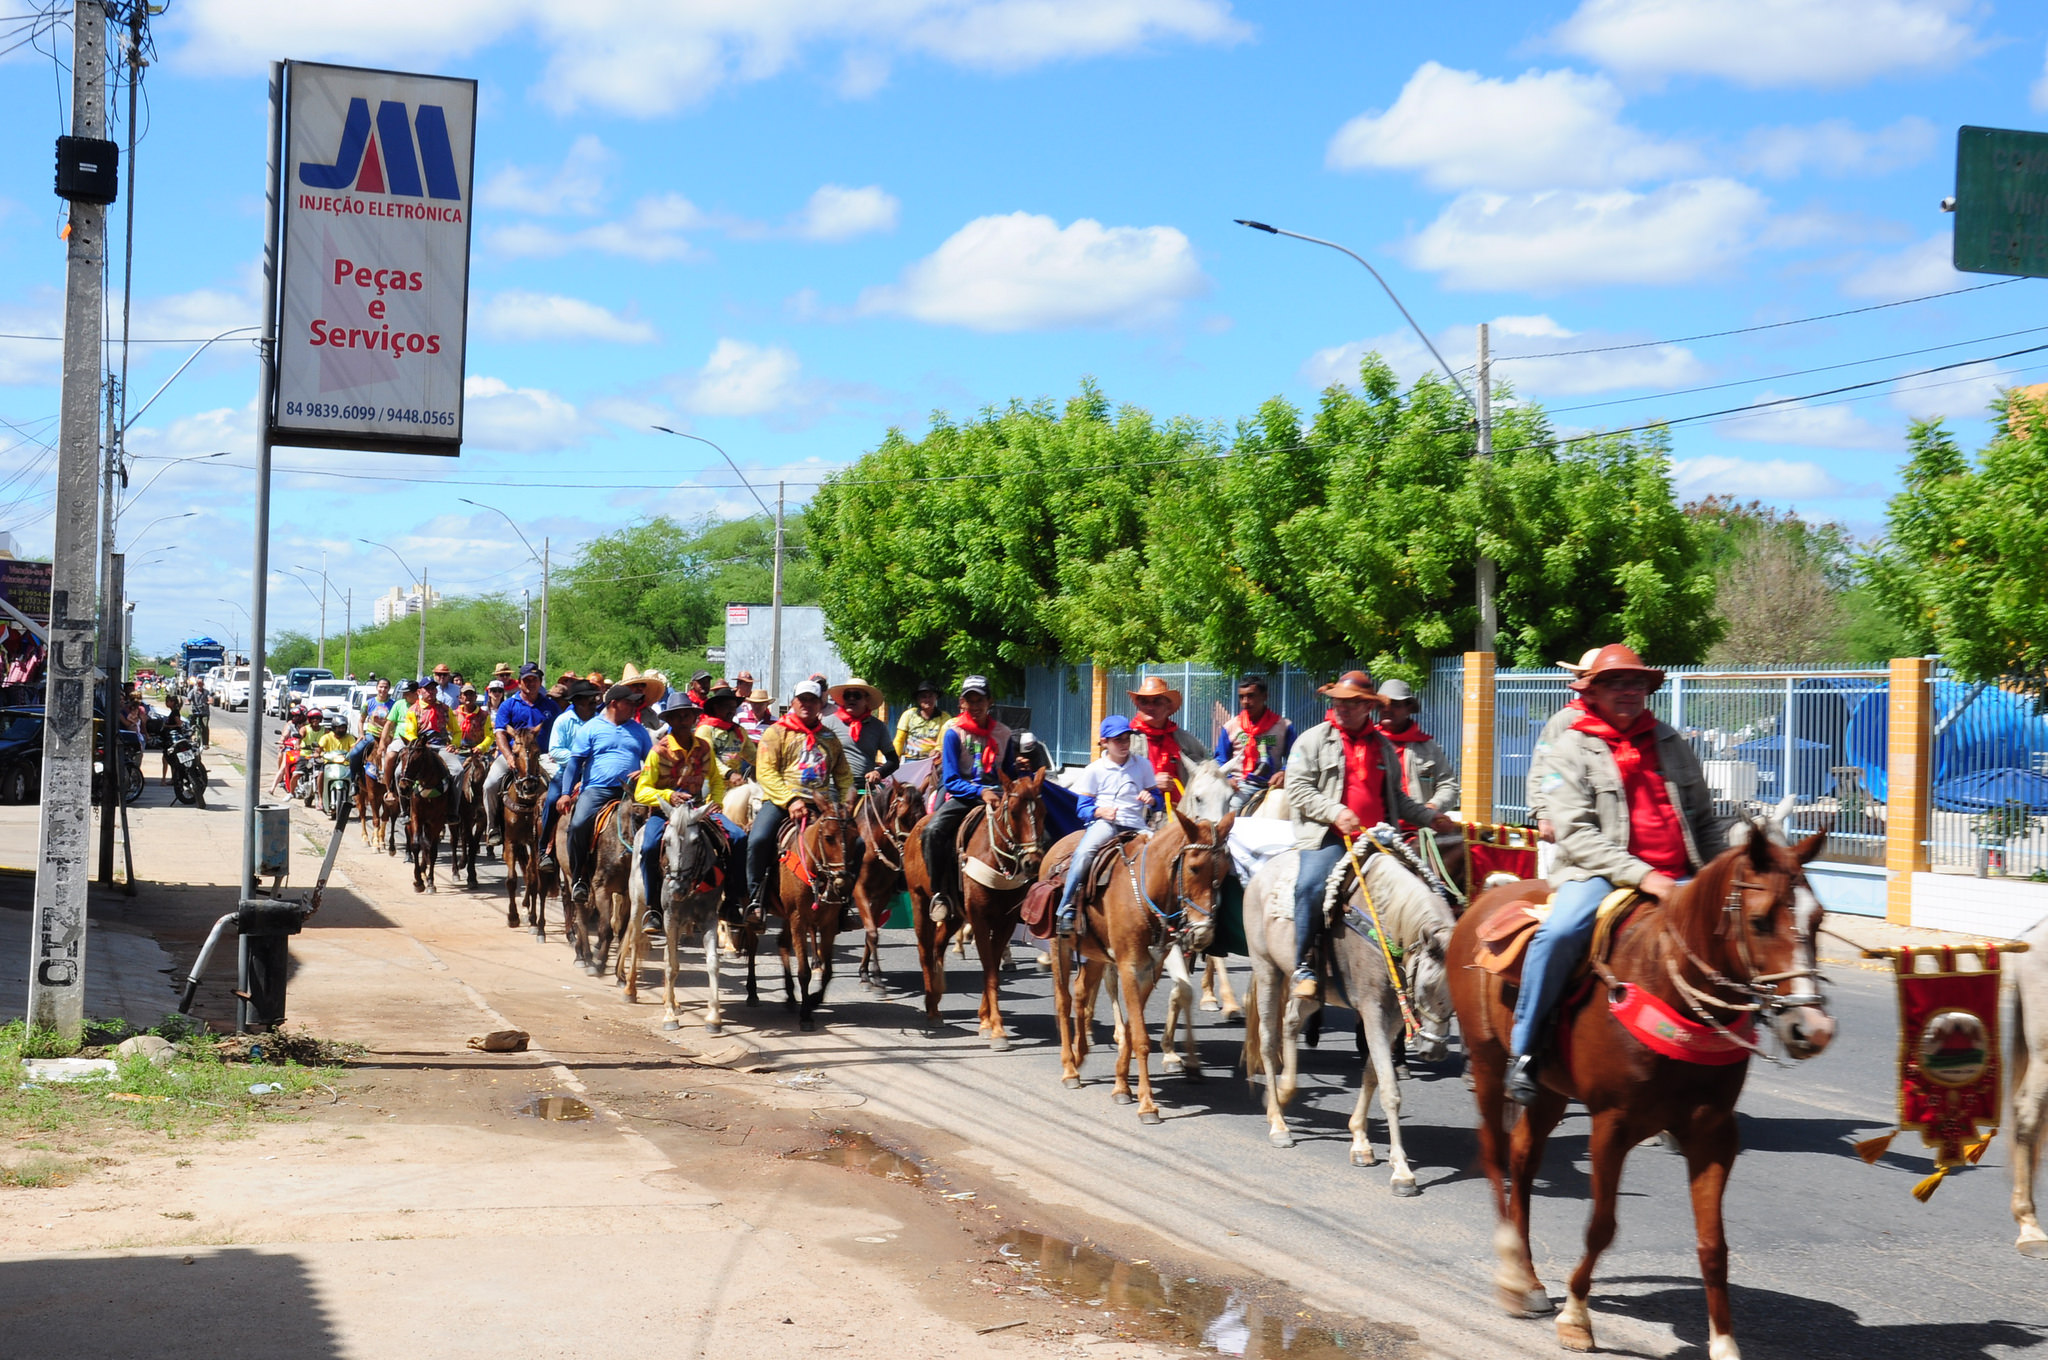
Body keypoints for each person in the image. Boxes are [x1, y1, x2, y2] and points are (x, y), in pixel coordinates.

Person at [1508, 644, 1726, 1106]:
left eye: (1636, 684)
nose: (1628, 692)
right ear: (1594, 691)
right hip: (1597, 872)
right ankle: (1526, 1049)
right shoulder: (1570, 743)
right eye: (1615, 684)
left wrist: (1718, 874)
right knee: (1560, 932)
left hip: (1678, 871)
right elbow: (1576, 833)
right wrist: (1643, 876)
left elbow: (1703, 819)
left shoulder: (1670, 740)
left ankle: (1741, 1033)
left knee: (1742, 927)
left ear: (1648, 690)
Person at [1284, 671, 1459, 999]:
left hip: (1380, 839)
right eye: (1338, 700)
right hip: (1330, 838)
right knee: (1311, 885)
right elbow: (1296, 788)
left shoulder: (1382, 746)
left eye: (1351, 703)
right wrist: (1335, 812)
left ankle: (1413, 963)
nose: (1342, 707)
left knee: (1427, 891)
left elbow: (1397, 797)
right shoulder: (1313, 739)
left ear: (1368, 706)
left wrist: (1429, 817)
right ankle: (1304, 963)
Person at [745, 678, 852, 923]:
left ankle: (844, 906)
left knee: (854, 843)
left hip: (821, 804)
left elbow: (844, 775)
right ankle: (755, 899)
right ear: (792, 702)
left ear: (820, 704)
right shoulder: (776, 733)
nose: (807, 704)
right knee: (758, 840)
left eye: (812, 700)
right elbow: (765, 772)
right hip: (781, 802)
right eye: (802, 699)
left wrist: (847, 803)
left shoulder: (829, 738)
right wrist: (791, 800)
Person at [632, 695, 745, 922]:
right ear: (671, 719)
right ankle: (653, 907)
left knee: (738, 837)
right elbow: (641, 791)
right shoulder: (658, 751)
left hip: (698, 809)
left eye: (688, 715)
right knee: (651, 845)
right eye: (678, 715)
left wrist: (716, 803)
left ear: (695, 718)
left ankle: (732, 901)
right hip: (664, 812)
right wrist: (668, 795)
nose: (683, 719)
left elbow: (714, 778)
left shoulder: (704, 747)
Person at [920, 675, 1022, 917]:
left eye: (980, 700)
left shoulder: (1004, 733)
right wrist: (981, 791)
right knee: (932, 831)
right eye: (970, 700)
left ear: (990, 701)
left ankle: (1028, 893)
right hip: (965, 794)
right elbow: (952, 780)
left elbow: (1009, 773)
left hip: (998, 795)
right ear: (962, 703)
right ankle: (940, 893)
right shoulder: (953, 733)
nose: (975, 706)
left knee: (1038, 832)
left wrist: (1017, 783)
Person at [1056, 715, 1159, 936]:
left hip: (1137, 826)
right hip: (1107, 825)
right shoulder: (1095, 769)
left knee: (1163, 854)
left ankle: (1168, 909)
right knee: (1084, 853)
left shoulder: (1143, 765)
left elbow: (1157, 797)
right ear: (1104, 742)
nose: (1123, 744)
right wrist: (1100, 811)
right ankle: (1067, 907)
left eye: (1126, 739)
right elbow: (1082, 808)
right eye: (1117, 740)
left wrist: (1151, 798)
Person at [562, 683, 655, 908]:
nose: (634, 707)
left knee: (655, 828)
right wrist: (566, 793)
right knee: (578, 825)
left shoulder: (639, 730)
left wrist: (644, 771)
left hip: (632, 792)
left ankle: (653, 883)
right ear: (614, 703)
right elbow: (575, 763)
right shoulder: (592, 728)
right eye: (629, 702)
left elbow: (654, 762)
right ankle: (579, 878)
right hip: (597, 790)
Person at [486, 662, 562, 846]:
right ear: (520, 682)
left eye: (534, 680)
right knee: (489, 784)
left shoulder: (551, 706)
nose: (531, 684)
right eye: (527, 680)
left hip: (543, 756)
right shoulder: (509, 705)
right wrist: (509, 756)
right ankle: (493, 826)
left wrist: (557, 752)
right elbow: (500, 733)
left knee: (562, 786)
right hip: (514, 755)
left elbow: (560, 730)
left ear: (540, 682)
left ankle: (557, 830)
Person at [1374, 679, 1458, 826]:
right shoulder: (1368, 744)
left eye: (1395, 704)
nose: (1387, 709)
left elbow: (1448, 785)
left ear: (1409, 708)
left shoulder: (1428, 747)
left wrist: (1433, 807)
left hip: (1420, 828)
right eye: (1381, 705)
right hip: (1377, 829)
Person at [539, 679, 602, 869]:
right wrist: (579, 757)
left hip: (595, 774)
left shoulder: (600, 721)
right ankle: (544, 850)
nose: (594, 703)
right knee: (551, 801)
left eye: (594, 699)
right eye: (590, 700)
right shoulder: (563, 721)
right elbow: (556, 750)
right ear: (578, 701)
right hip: (569, 771)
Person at [1216, 675, 1294, 813]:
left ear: (1265, 696)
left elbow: (1297, 755)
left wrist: (1284, 771)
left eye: (1251, 696)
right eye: (1242, 697)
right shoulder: (1231, 727)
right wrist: (1227, 779)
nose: (1246, 701)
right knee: (1230, 811)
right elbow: (1220, 760)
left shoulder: (1284, 726)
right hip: (1241, 786)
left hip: (1274, 785)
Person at [1126, 676, 1209, 806]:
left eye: (1157, 702)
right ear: (1137, 705)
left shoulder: (1184, 740)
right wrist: (1151, 783)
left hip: (1181, 814)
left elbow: (1208, 767)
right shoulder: (1126, 739)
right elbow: (1113, 778)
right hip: (1140, 814)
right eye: (1144, 702)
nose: (1150, 707)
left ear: (1168, 707)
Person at [824, 677, 899, 793]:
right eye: (847, 695)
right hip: (835, 787)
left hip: (864, 787)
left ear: (866, 700)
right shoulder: (827, 723)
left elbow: (893, 761)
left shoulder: (878, 727)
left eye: (856, 695)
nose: (851, 698)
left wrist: (878, 772)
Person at [695, 684, 756, 783]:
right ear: (716, 708)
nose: (732, 710)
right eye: (727, 707)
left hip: (735, 781)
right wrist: (729, 773)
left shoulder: (739, 731)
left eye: (733, 707)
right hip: (709, 782)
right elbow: (707, 757)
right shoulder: (705, 729)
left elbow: (753, 756)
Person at [347, 677, 394, 786]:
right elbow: (361, 720)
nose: (383, 690)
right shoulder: (368, 703)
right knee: (354, 754)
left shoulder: (393, 704)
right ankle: (354, 780)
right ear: (377, 688)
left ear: (389, 689)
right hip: (371, 735)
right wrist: (361, 734)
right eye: (381, 687)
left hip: (388, 737)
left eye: (385, 687)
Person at [894, 679, 947, 762]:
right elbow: (899, 740)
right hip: (911, 759)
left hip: (934, 761)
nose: (927, 699)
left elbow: (944, 740)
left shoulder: (944, 717)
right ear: (918, 699)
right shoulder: (909, 715)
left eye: (931, 696)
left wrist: (937, 750)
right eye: (924, 696)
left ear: (936, 697)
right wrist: (895, 759)